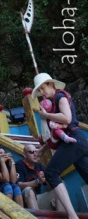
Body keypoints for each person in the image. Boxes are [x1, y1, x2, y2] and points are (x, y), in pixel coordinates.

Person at [32, 72, 88, 219]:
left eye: (43, 88)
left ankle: (72, 215)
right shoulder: (54, 103)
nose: (42, 93)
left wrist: (46, 116)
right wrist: (43, 149)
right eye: (39, 91)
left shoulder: (59, 96)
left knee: (51, 173)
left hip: (74, 139)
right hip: (78, 141)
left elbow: (67, 118)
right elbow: (56, 135)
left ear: (51, 85)